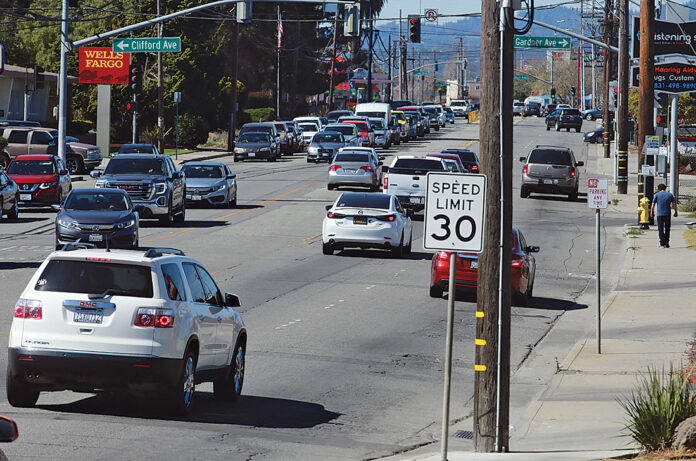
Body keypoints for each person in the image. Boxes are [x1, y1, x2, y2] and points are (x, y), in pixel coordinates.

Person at [650, 183, 678, 248]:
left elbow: (653, 204)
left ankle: (662, 243)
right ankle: (667, 242)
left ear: (659, 189)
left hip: (660, 214)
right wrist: (676, 212)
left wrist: (652, 212)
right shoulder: (670, 195)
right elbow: (674, 204)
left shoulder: (656, 195)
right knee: (667, 228)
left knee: (660, 228)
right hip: (667, 214)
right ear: (665, 188)